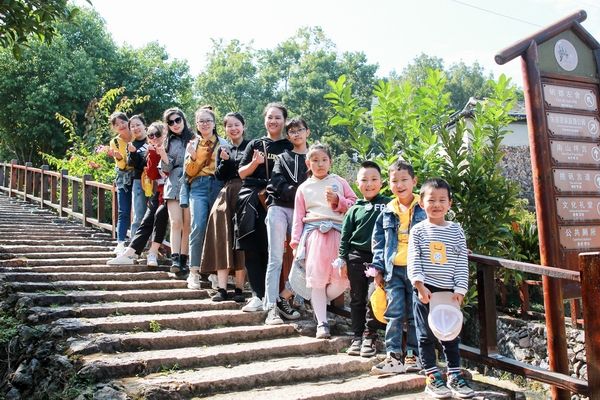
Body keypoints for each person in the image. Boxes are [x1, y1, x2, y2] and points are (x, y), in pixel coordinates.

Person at [408, 178, 473, 399]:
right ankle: (432, 376)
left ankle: (454, 374)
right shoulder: (418, 230)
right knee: (425, 335)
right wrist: (419, 285)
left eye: (442, 200)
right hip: (425, 290)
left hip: (449, 292)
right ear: (421, 203)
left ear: (449, 203)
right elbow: (414, 259)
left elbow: (461, 261)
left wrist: (460, 289)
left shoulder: (456, 230)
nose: (437, 204)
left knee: (450, 334)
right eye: (431, 200)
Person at [290, 143, 357, 339]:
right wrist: (295, 244)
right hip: (314, 235)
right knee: (317, 280)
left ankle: (316, 302)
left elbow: (354, 205)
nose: (320, 164)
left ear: (330, 162)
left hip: (338, 233)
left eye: (324, 160)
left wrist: (338, 200)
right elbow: (298, 218)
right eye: (315, 160)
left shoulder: (339, 181)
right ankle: (322, 323)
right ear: (308, 163)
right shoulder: (303, 188)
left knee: (342, 279)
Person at [235, 103, 293, 312]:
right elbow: (241, 173)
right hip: (252, 199)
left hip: (278, 200)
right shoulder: (255, 144)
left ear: (284, 121)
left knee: (274, 250)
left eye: (278, 117)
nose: (273, 121)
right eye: (270, 117)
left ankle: (275, 297)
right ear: (264, 119)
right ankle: (257, 295)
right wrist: (254, 163)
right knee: (252, 247)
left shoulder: (289, 145)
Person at [370, 159, 425, 375]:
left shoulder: (424, 206)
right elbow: (379, 243)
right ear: (389, 184)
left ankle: (413, 356)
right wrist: (377, 269)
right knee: (393, 314)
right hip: (393, 271)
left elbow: (438, 230)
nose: (399, 185)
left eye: (404, 180)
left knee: (414, 315)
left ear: (414, 181)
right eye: (394, 181)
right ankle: (393, 357)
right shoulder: (387, 210)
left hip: (417, 271)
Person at [337, 161, 390, 356]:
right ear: (357, 184)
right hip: (356, 258)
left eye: (374, 179)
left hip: (379, 259)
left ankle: (370, 335)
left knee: (373, 297)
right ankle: (357, 336)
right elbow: (345, 237)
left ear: (381, 182)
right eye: (364, 180)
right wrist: (342, 259)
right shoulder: (354, 209)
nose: (369, 184)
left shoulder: (389, 204)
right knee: (357, 298)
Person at [263, 117, 310, 325]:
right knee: (275, 258)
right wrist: (300, 194)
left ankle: (294, 298)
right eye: (292, 131)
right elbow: (276, 183)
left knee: (305, 257)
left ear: (307, 132)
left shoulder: (314, 157)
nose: (296, 134)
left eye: (300, 130)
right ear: (288, 135)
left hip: (305, 213)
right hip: (280, 207)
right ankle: (271, 307)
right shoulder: (282, 158)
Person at [200, 112, 249, 302]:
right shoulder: (223, 148)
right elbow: (219, 176)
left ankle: (239, 289)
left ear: (243, 126)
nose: (233, 129)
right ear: (225, 129)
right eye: (229, 126)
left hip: (246, 194)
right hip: (227, 194)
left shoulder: (252, 146)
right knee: (222, 238)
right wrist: (225, 161)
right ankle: (221, 288)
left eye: (237, 125)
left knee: (242, 240)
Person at [107, 122, 170, 266]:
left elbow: (170, 171)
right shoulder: (150, 150)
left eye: (157, 134)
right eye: (151, 135)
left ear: (164, 134)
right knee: (146, 219)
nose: (154, 138)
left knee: (159, 217)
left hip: (172, 191)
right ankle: (131, 253)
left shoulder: (170, 148)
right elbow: (152, 174)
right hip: (159, 190)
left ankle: (153, 253)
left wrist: (162, 154)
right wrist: (152, 154)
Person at [184, 107, 228, 289]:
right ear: (196, 124)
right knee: (198, 226)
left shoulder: (223, 143)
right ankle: (194, 271)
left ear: (214, 123)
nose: (205, 124)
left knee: (216, 228)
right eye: (201, 121)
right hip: (198, 186)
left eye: (208, 120)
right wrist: (193, 157)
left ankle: (214, 272)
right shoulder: (192, 144)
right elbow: (189, 172)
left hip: (217, 185)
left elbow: (227, 169)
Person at [159, 108, 193, 274]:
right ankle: (175, 259)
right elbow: (166, 169)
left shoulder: (194, 138)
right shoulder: (167, 142)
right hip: (173, 181)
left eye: (177, 120)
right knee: (175, 222)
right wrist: (163, 155)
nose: (175, 124)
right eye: (171, 122)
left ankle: (184, 259)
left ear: (183, 120)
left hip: (191, 180)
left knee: (188, 224)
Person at [107, 111, 133, 255]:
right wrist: (118, 157)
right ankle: (120, 242)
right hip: (123, 177)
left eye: (123, 122)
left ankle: (137, 243)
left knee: (140, 210)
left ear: (128, 121)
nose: (121, 126)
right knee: (123, 211)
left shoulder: (137, 134)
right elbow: (122, 166)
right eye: (117, 124)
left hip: (139, 176)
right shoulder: (115, 142)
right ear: (114, 128)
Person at [127, 115, 149, 237]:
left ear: (144, 125)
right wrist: (133, 153)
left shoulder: (153, 139)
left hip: (155, 180)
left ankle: (154, 244)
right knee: (139, 214)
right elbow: (132, 164)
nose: (135, 128)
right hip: (138, 181)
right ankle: (135, 243)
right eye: (132, 126)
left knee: (155, 214)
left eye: (138, 125)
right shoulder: (131, 145)